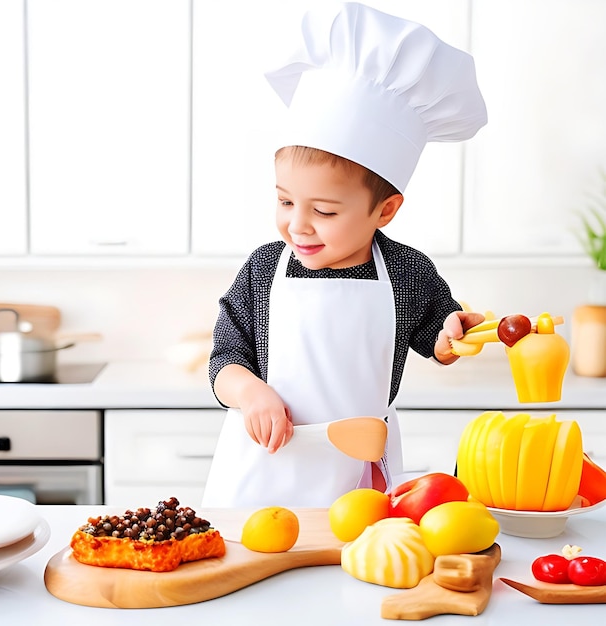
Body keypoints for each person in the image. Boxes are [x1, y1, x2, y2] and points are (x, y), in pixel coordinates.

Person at [202, 2, 487, 508]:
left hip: (358, 478)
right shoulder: (264, 269)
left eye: (325, 211)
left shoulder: (406, 272)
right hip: (263, 469)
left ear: (386, 210)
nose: (297, 224)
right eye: (285, 200)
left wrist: (452, 335)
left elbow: (437, 340)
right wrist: (251, 393)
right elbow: (224, 359)